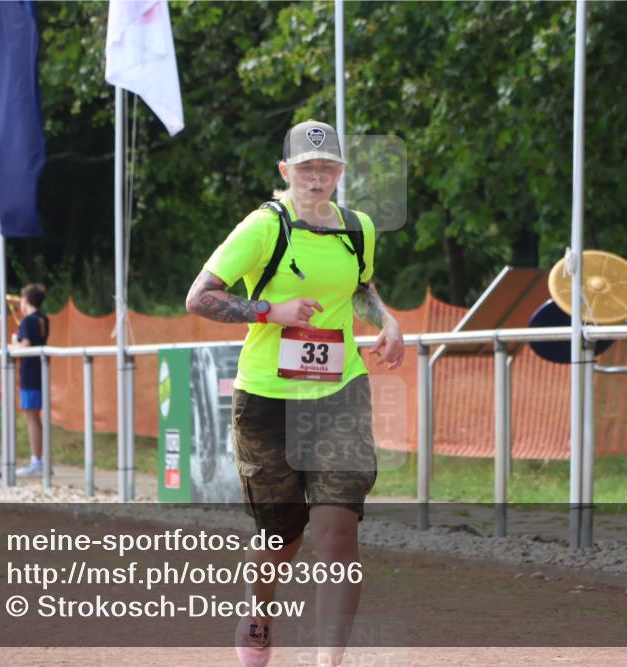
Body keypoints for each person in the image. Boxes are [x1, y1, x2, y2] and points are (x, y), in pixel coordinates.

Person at [186, 120, 404, 667]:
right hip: (268, 399)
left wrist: (386, 318)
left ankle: (327, 662)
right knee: (281, 537)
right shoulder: (263, 228)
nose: (317, 176)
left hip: (339, 393)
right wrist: (269, 311)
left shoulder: (358, 228)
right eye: (306, 168)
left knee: (338, 532)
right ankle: (258, 616)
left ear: (340, 173)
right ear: (285, 172)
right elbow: (199, 297)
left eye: (327, 166)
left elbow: (360, 285)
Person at [9, 283, 50, 477]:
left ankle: (37, 460)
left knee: (31, 418)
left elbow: (25, 345)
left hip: (29, 373)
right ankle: (38, 459)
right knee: (35, 418)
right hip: (40, 371)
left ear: (26, 300)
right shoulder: (44, 319)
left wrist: (13, 345)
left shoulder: (27, 321)